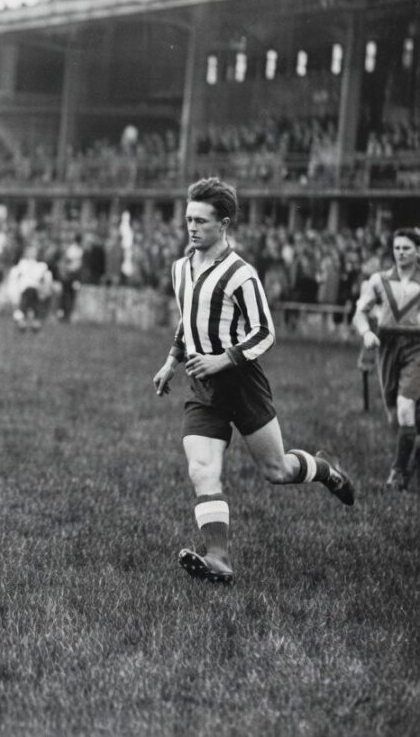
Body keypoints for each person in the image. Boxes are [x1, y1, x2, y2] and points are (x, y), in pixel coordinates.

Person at [152, 178, 354, 584]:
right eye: (189, 219)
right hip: (202, 384)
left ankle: (325, 470)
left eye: (202, 221)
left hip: (242, 382)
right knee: (201, 469)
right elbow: (188, 319)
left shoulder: (241, 274)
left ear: (223, 224)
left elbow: (265, 332)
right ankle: (218, 557)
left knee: (276, 471)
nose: (192, 228)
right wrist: (172, 361)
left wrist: (221, 359)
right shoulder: (180, 267)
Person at [352, 227, 420, 491]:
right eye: (397, 248)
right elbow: (360, 312)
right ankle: (412, 452)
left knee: (405, 407)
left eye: (406, 248)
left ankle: (398, 473)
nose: (400, 253)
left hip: (417, 345)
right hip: (387, 344)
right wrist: (366, 332)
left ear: (417, 251)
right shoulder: (379, 280)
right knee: (395, 414)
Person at [7, 244, 54, 332]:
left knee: (38, 295)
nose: (32, 253)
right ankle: (25, 320)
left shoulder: (41, 266)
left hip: (37, 291)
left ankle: (33, 321)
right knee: (29, 293)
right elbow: (15, 279)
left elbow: (46, 279)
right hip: (24, 290)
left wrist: (44, 288)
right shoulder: (21, 265)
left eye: (34, 251)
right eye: (30, 251)